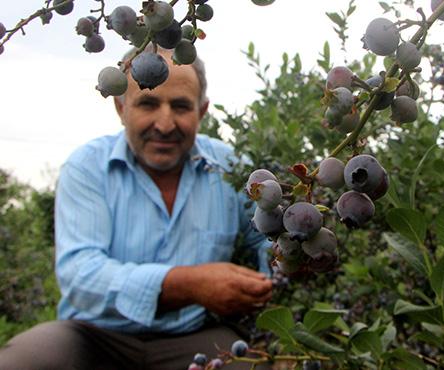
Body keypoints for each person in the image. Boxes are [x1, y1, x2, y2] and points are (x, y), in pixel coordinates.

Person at [0, 46, 273, 370]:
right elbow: (80, 274)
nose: (165, 123)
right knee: (27, 360)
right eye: (148, 102)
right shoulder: (87, 168)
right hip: (94, 336)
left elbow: (265, 240)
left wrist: (281, 266)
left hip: (195, 335)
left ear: (202, 112)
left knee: (243, 365)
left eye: (181, 106)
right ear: (121, 107)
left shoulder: (229, 167)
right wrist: (187, 284)